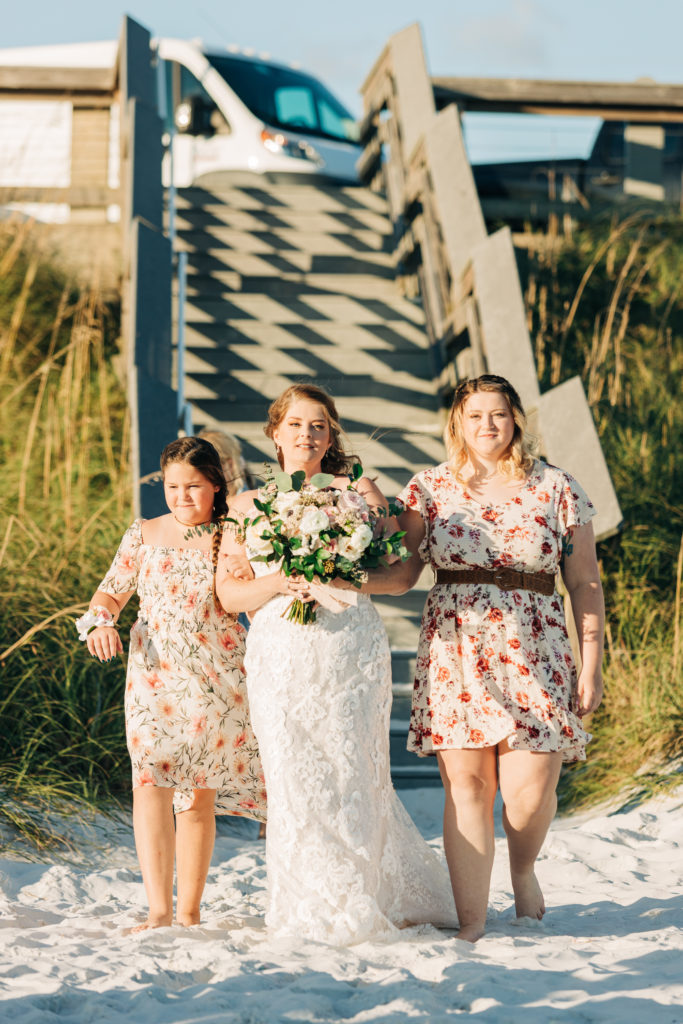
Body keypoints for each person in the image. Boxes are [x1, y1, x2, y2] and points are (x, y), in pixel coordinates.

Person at [215, 384, 456, 945]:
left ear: (331, 434)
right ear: (275, 432)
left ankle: (360, 894)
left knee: (353, 770)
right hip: (280, 650)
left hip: (349, 644)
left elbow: (400, 576)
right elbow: (230, 593)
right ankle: (303, 903)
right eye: (296, 424)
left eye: (319, 425)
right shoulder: (247, 506)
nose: (307, 434)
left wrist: (340, 576)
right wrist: (283, 580)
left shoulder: (361, 493)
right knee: (291, 774)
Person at [368, 373, 604, 942]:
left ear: (515, 419)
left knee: (528, 794)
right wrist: (330, 575)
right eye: (475, 416)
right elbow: (402, 575)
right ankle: (471, 921)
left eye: (497, 414)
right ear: (457, 423)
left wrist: (591, 660)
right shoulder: (429, 488)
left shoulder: (557, 487)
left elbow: (586, 582)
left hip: (538, 645)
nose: (487, 425)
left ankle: (522, 869)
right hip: (456, 650)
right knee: (469, 787)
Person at [78, 437, 266, 930]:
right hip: (152, 672)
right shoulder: (143, 533)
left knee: (197, 793)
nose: (182, 497)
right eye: (173, 486)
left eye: (194, 487)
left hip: (215, 674)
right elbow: (111, 591)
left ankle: (189, 911)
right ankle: (159, 909)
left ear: (216, 487)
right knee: (150, 783)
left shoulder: (232, 532)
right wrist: (101, 622)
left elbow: (243, 598)